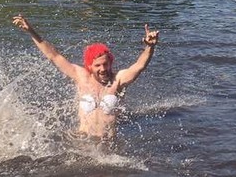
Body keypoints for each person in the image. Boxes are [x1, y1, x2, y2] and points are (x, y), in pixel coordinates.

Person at [11, 14, 158, 139]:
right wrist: (31, 31)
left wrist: (150, 47)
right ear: (89, 66)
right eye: (97, 66)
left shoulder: (117, 80)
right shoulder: (81, 77)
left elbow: (139, 66)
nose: (103, 69)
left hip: (110, 145)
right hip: (83, 143)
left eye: (106, 64)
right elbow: (53, 56)